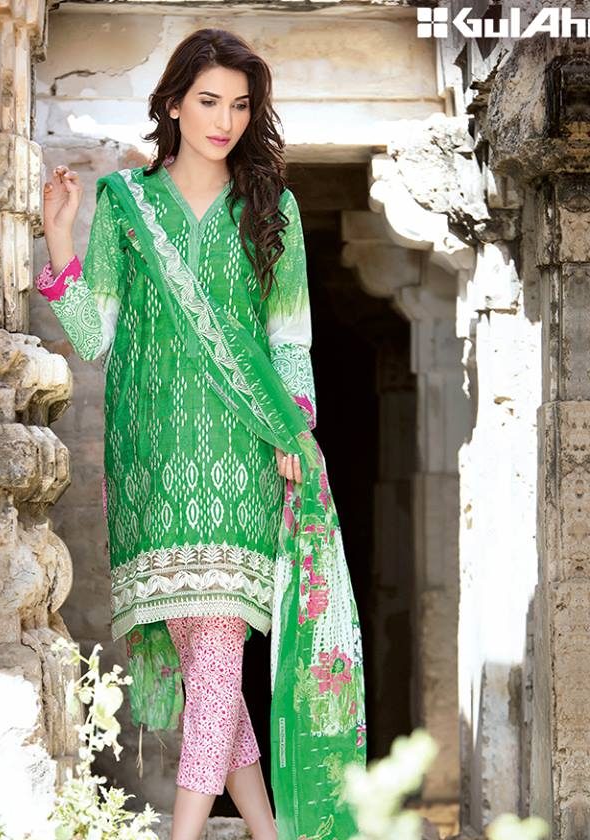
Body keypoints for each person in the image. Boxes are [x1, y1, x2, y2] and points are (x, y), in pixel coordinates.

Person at [38, 28, 365, 840]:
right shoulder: (126, 203)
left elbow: (289, 339)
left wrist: (293, 431)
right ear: (175, 104)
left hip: (241, 456)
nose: (225, 121)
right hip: (149, 463)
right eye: (209, 101)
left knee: (218, 661)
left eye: (240, 106)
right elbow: (95, 335)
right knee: (206, 674)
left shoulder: (272, 209)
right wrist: (59, 237)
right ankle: (268, 833)